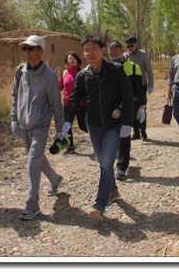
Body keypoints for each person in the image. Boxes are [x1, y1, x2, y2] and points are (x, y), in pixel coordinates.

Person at [63, 36, 133, 221]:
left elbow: (127, 96)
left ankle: (99, 205)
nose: (90, 52)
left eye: (94, 48)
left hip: (113, 125)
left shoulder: (115, 70)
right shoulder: (83, 75)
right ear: (83, 53)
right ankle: (113, 191)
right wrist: (67, 121)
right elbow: (73, 100)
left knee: (106, 164)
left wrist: (127, 121)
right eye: (86, 49)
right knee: (104, 163)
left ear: (101, 50)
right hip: (93, 126)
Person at [10, 35, 65, 221]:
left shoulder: (49, 76)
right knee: (37, 159)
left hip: (41, 125)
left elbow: (56, 104)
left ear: (41, 51)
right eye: (25, 48)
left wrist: (60, 129)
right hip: (24, 125)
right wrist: (14, 119)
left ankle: (32, 204)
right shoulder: (20, 71)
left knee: (33, 160)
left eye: (31, 48)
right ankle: (55, 179)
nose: (27, 52)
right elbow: (15, 95)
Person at [108, 41, 146, 181]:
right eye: (111, 55)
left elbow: (139, 90)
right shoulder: (106, 68)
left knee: (124, 138)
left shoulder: (134, 68)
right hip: (110, 109)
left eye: (116, 54)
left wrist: (141, 107)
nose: (113, 57)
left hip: (128, 108)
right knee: (114, 137)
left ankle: (122, 167)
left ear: (122, 52)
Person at [125, 36, 154, 141]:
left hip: (141, 85)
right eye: (128, 46)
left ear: (136, 44)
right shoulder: (125, 56)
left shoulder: (143, 54)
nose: (130, 48)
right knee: (132, 109)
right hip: (129, 86)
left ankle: (143, 131)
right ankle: (136, 132)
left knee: (141, 108)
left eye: (131, 46)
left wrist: (150, 85)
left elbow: (149, 70)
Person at [58, 52, 87, 154]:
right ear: (67, 61)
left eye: (74, 58)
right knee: (67, 126)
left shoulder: (83, 73)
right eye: (70, 59)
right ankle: (70, 146)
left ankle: (99, 138)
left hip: (81, 104)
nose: (72, 60)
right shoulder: (64, 73)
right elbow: (59, 86)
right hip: (68, 104)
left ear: (78, 60)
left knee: (83, 125)